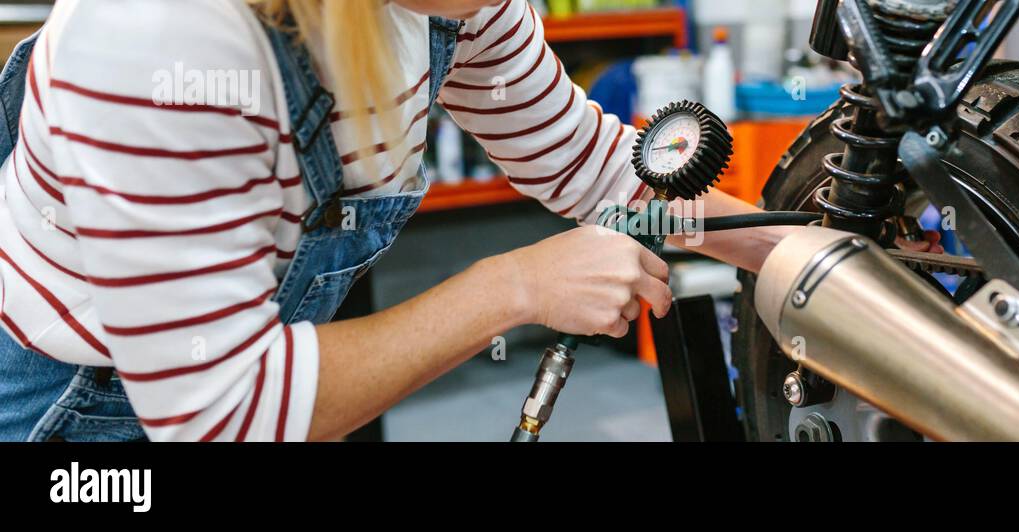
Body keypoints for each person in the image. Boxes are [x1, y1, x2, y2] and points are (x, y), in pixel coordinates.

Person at [0, 0, 936, 442]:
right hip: (80, 409)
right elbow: (222, 409)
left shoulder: (458, 3)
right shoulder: (163, 37)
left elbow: (593, 167)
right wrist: (514, 287)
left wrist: (821, 260)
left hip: (264, 374)